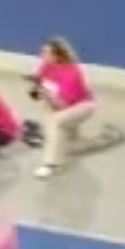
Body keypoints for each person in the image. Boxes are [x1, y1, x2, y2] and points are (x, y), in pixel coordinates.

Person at [28, 37, 95, 179]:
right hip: (60, 103)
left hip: (83, 106)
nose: (41, 56)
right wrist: (34, 87)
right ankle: (71, 138)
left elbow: (62, 105)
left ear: (57, 56)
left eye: (46, 53)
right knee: (53, 115)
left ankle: (51, 164)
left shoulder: (71, 73)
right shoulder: (46, 66)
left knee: (56, 121)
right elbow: (37, 92)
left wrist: (44, 92)